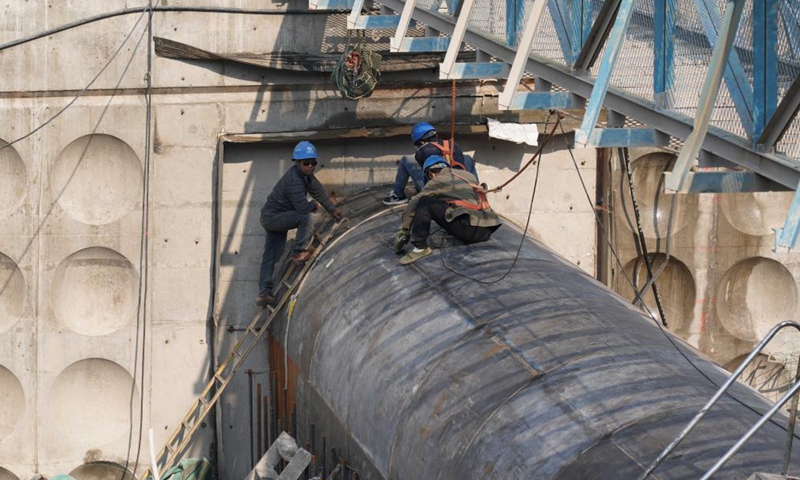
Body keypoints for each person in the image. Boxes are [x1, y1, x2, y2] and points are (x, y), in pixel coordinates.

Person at [257, 141, 343, 307]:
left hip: (279, 216)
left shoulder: (306, 176)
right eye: (306, 163)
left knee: (272, 255)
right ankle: (298, 252)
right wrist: (314, 206)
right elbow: (303, 208)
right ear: (297, 163)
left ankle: (264, 293)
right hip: (273, 217)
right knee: (307, 217)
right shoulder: (294, 181)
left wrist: (332, 209)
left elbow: (318, 191)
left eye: (313, 162)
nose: (311, 166)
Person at [394, 155, 501, 265]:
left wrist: (405, 229)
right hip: (487, 230)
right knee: (452, 206)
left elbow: (414, 203)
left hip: (468, 230)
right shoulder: (468, 175)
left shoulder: (436, 181)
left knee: (424, 202)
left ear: (431, 174)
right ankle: (459, 236)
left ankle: (420, 248)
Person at [382, 122, 479, 206]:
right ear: (435, 135)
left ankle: (397, 196)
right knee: (467, 158)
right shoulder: (453, 144)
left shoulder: (421, 151)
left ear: (420, 141)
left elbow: (425, 174)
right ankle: (476, 191)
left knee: (406, 160)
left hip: (439, 193)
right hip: (464, 189)